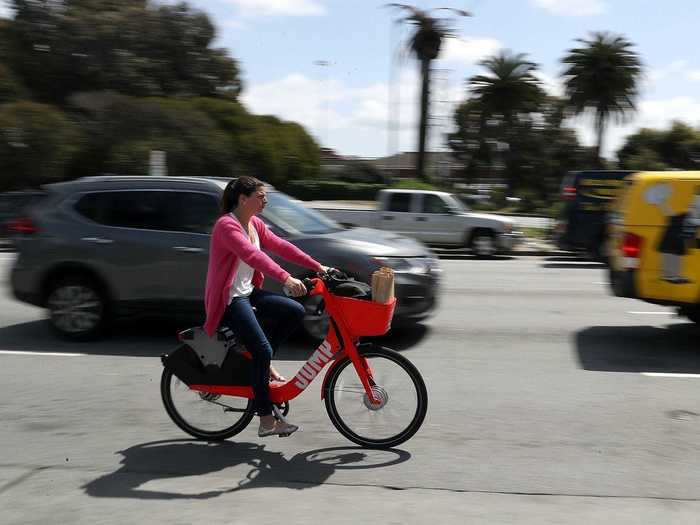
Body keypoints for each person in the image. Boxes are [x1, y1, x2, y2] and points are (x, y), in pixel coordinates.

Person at [203, 176, 328, 437]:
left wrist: (318, 266)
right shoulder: (227, 226)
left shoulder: (254, 224)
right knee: (261, 349)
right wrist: (286, 278)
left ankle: (261, 361)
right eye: (261, 196)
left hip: (248, 293)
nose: (266, 201)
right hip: (229, 299)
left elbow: (281, 246)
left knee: (294, 311)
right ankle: (266, 419)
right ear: (243, 199)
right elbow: (253, 256)